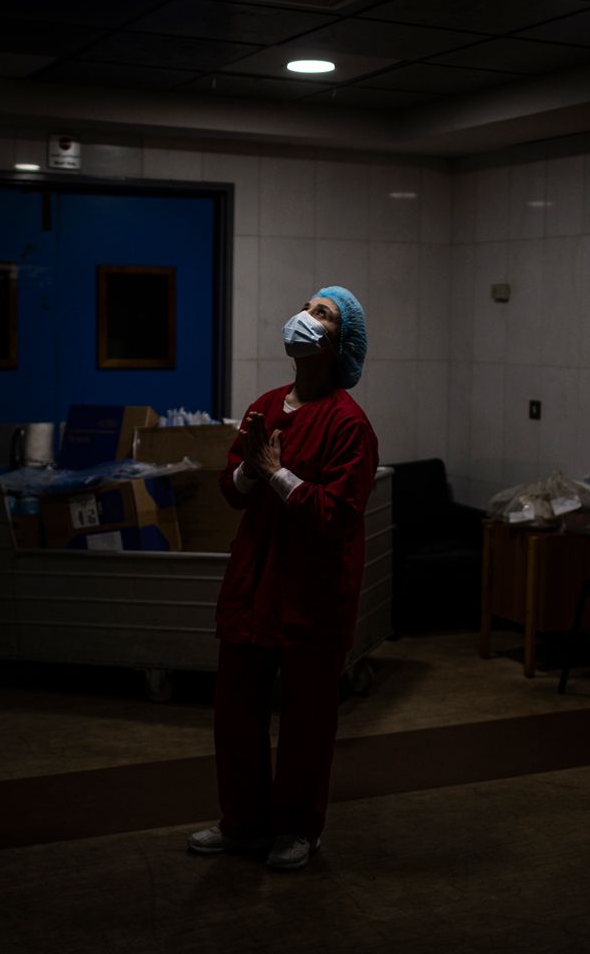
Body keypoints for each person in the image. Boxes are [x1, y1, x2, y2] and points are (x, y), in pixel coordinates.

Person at [186, 285, 378, 871]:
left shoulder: (349, 425)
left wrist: (276, 475)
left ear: (339, 342)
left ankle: (298, 828)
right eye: (306, 306)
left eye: (322, 313)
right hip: (254, 583)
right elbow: (231, 490)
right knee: (236, 712)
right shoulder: (266, 406)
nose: (304, 316)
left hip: (311, 593)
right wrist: (250, 471)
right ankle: (243, 823)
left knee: (306, 720)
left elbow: (336, 514)